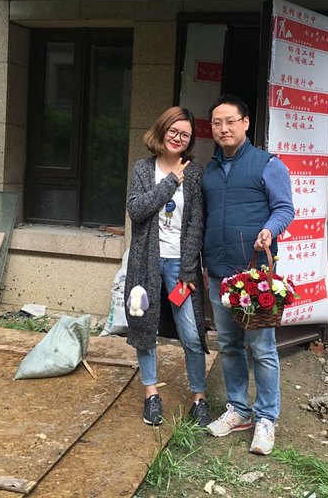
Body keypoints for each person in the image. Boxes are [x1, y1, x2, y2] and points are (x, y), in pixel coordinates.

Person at [202, 94, 294, 455]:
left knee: (262, 348)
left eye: (230, 121)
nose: (223, 128)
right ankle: (239, 410)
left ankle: (266, 417)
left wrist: (269, 230)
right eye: (216, 122)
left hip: (254, 275)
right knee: (228, 344)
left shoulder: (267, 164)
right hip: (219, 272)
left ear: (245, 123)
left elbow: (284, 208)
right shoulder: (209, 170)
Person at [124, 106, 211, 428]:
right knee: (144, 328)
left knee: (192, 333)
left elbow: (196, 223)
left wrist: (189, 270)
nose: (178, 138)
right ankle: (151, 393)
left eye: (185, 134)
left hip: (180, 265)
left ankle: (199, 398)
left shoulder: (195, 172)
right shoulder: (143, 169)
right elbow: (136, 210)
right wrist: (171, 182)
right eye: (173, 131)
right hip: (145, 263)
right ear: (162, 131)